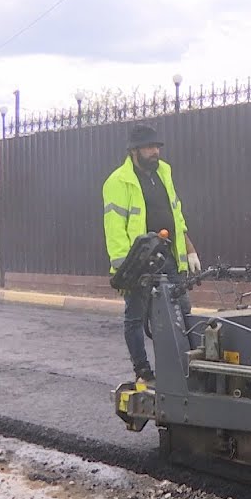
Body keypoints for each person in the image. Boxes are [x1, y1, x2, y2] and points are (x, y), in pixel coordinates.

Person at [102, 124, 202, 386]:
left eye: (157, 147)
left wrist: (189, 248)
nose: (155, 151)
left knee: (183, 310)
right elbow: (115, 230)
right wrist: (127, 271)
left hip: (169, 257)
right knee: (136, 316)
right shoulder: (117, 182)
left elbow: (176, 215)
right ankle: (143, 371)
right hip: (140, 261)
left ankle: (189, 366)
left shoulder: (164, 173)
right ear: (134, 151)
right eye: (149, 147)